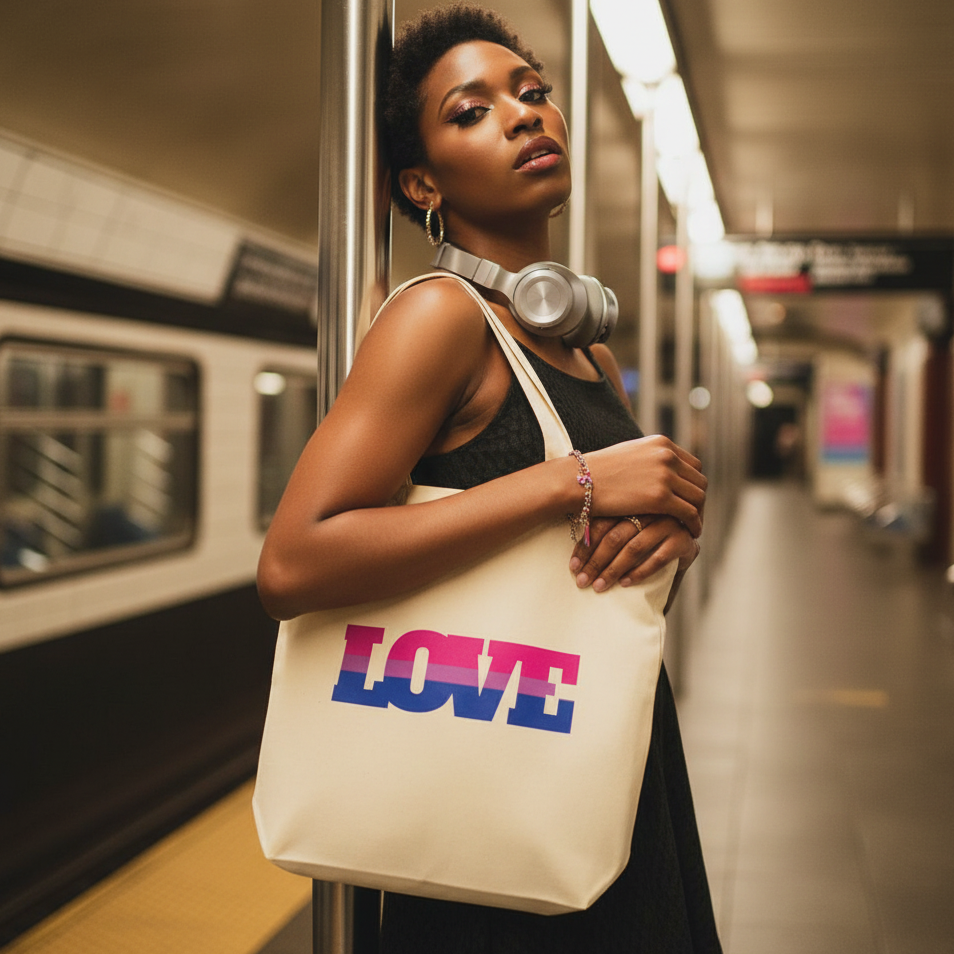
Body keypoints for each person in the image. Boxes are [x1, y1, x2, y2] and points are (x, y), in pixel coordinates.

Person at [257, 4, 721, 951]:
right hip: (486, 775)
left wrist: (668, 517)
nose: (524, 116)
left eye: (534, 93)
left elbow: (582, 547)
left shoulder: (588, 356)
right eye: (473, 110)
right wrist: (572, 484)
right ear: (422, 181)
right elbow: (293, 563)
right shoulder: (439, 316)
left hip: (591, 759)